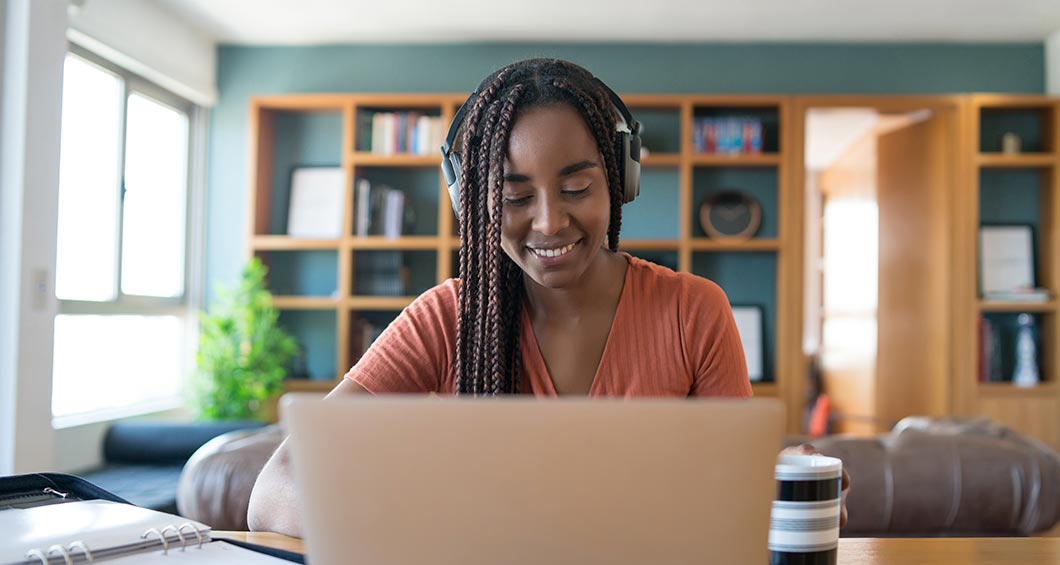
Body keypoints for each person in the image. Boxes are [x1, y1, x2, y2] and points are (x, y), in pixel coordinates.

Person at [248, 58, 847, 537]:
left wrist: (783, 502)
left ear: (620, 181)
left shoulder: (694, 311)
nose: (549, 222)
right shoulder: (445, 318)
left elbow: (731, 506)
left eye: (577, 187)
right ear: (474, 202)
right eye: (515, 197)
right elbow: (275, 489)